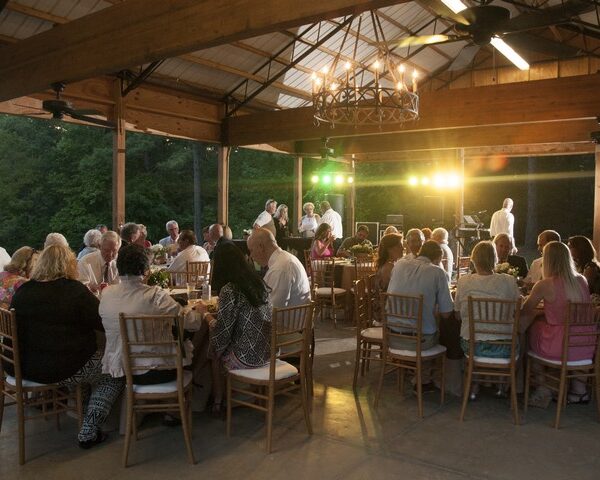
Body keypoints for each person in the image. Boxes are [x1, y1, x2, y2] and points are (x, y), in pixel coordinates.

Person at [6, 245, 123, 448]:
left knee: (86, 366)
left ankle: (83, 413)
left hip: (22, 367)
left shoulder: (23, 292)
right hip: (62, 367)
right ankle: (89, 430)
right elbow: (101, 323)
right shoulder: (74, 291)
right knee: (113, 373)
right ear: (69, 264)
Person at [99, 244, 202, 386]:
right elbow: (192, 323)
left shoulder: (107, 294)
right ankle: (201, 397)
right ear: (147, 270)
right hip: (157, 370)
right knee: (197, 339)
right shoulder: (155, 296)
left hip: (120, 370)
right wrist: (199, 312)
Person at [198, 242, 271, 414]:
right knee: (214, 344)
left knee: (214, 349)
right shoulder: (257, 282)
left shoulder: (230, 290)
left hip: (247, 357)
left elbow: (223, 332)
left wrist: (205, 315)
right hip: (268, 352)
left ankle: (218, 401)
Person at [521, 241, 595, 407]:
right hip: (585, 342)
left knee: (533, 330)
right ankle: (579, 391)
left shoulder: (545, 284)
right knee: (560, 332)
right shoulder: (582, 280)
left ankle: (543, 387)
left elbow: (525, 309)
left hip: (561, 345)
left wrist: (539, 310)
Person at [453, 241, 520, 400]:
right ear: (494, 259)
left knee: (466, 335)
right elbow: (518, 309)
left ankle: (475, 381)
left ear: (473, 259)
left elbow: (456, 315)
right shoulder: (509, 281)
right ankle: (503, 383)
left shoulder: (464, 282)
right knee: (520, 338)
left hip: (473, 347)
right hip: (505, 348)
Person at [386, 240, 453, 388]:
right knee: (443, 331)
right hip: (419, 343)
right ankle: (425, 380)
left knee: (425, 323)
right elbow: (447, 313)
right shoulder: (437, 271)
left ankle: (412, 371)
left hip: (392, 336)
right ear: (438, 258)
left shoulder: (399, 265)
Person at [247, 228, 310, 307]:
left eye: (251, 250)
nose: (251, 256)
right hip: (295, 317)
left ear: (261, 247)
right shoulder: (286, 259)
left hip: (286, 319)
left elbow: (271, 309)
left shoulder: (280, 268)